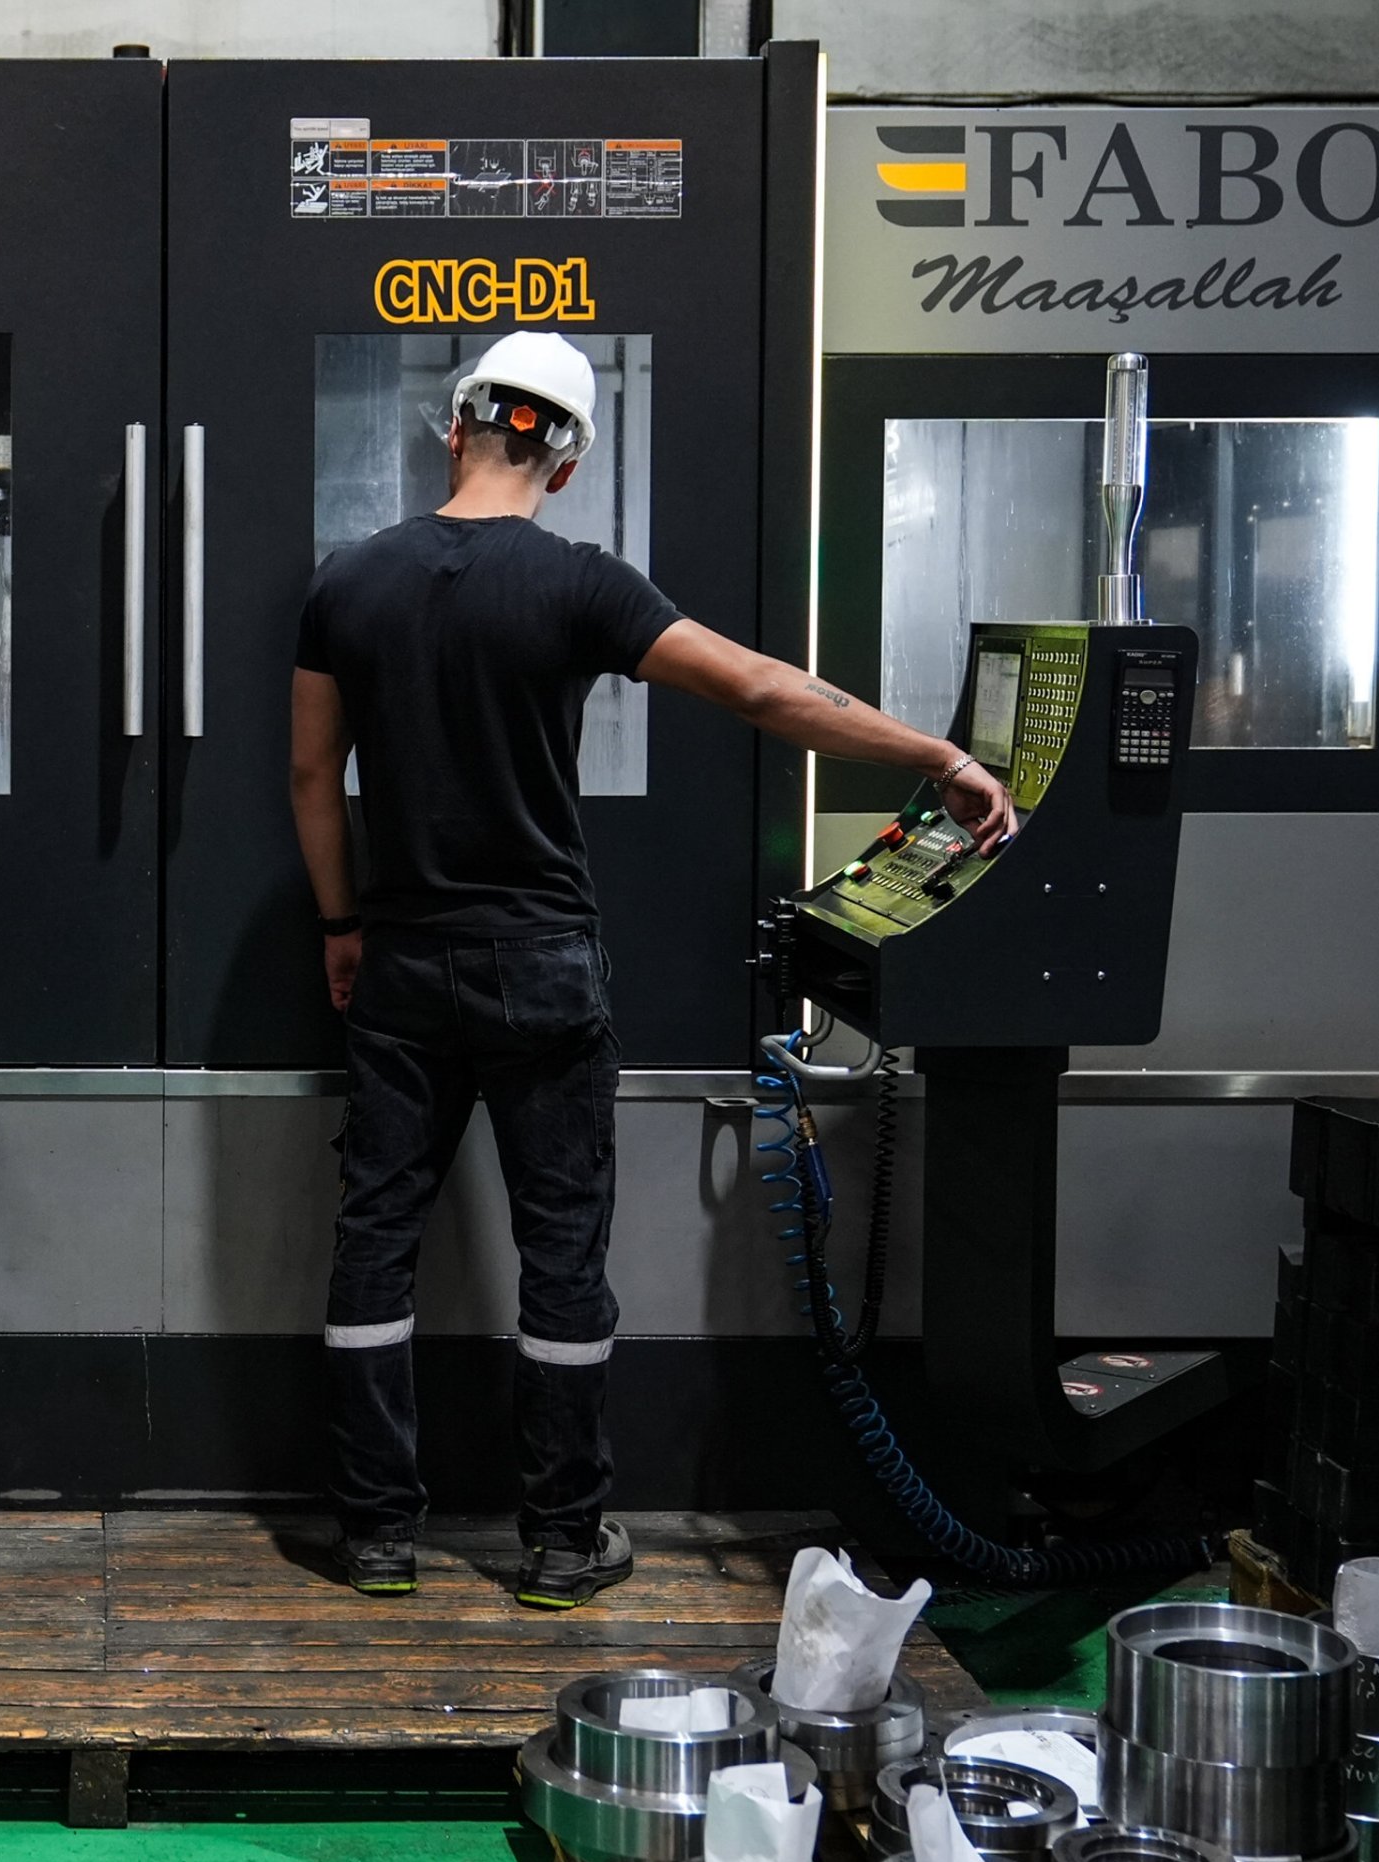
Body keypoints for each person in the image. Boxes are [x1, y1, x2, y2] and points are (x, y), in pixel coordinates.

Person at [290, 331, 1016, 1610]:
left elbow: (310, 773)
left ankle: (379, 1536)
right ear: (566, 463)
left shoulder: (347, 583)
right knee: (562, 1247)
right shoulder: (583, 585)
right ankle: (563, 1543)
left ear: (455, 429)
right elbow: (764, 691)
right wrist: (936, 756)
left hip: (401, 957)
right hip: (542, 963)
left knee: (375, 1238)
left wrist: (342, 923)